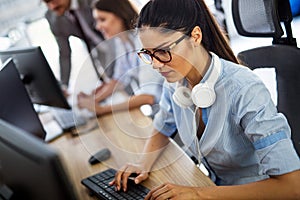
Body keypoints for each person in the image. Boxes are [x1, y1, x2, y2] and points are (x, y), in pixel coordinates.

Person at [109, 0, 300, 199]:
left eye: (163, 52)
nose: (156, 65)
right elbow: (162, 127)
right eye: (148, 54)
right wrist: (143, 163)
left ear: (195, 36)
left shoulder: (244, 89)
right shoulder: (175, 82)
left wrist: (199, 194)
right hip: (211, 185)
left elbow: (292, 187)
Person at [77, 0, 163, 116]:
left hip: (169, 112)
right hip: (157, 112)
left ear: (120, 15)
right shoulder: (122, 41)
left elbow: (149, 97)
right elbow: (119, 79)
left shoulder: (143, 42)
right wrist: (94, 99)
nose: (97, 27)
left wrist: (102, 109)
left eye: (102, 20)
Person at [43, 0, 113, 89]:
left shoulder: (89, 2)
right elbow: (64, 53)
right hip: (100, 53)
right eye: (46, 2)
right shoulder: (52, 17)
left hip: (120, 39)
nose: (52, 6)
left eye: (53, 0)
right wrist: (64, 86)